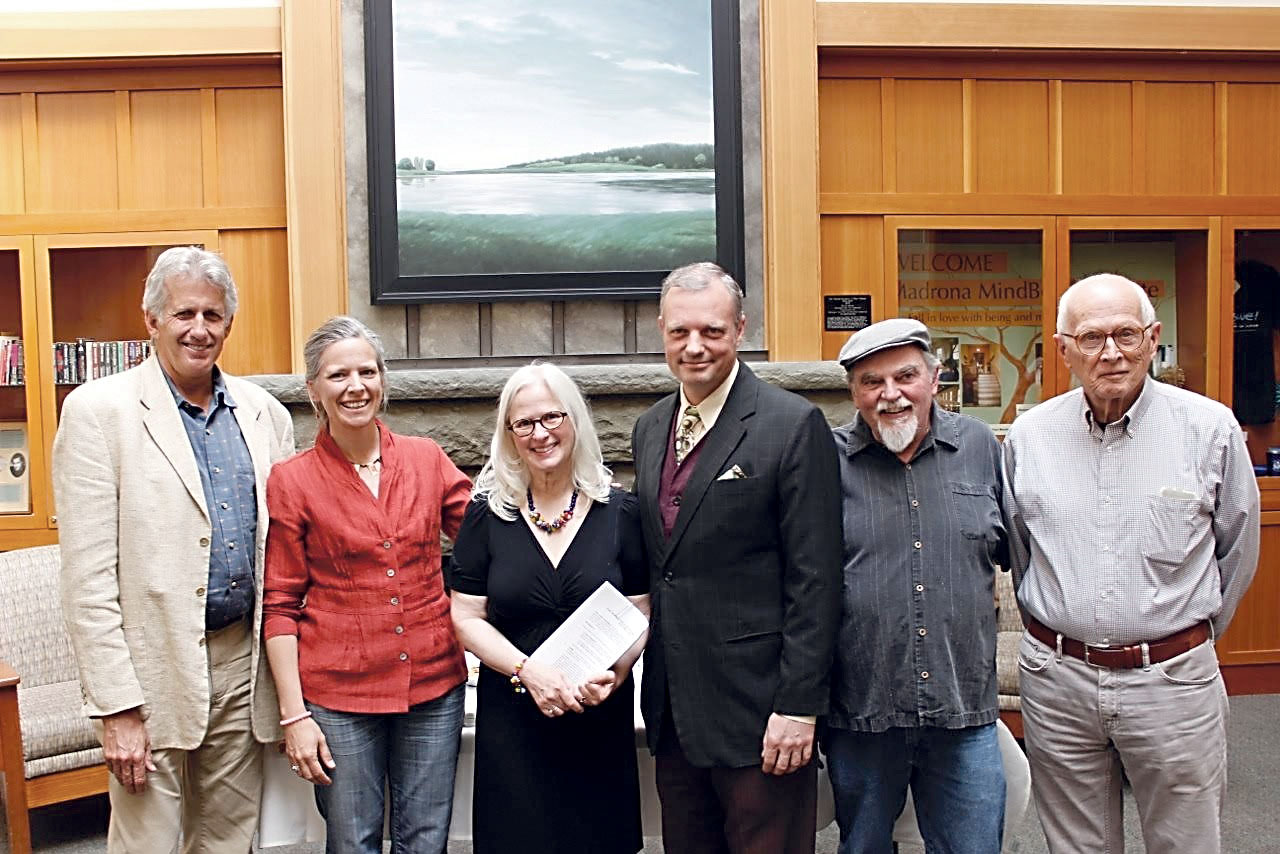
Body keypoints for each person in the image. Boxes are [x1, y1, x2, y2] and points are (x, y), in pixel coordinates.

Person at [1003, 273, 1260, 854]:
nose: (1111, 352)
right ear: (1063, 348)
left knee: (1186, 841)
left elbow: (1237, 549)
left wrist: (1186, 640)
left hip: (1171, 682)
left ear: (1153, 338)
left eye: (1126, 334)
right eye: (1092, 338)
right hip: (1058, 684)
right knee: (1076, 846)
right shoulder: (1029, 437)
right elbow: (1025, 554)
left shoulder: (1209, 429)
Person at [52, 246, 295, 852]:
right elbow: (87, 581)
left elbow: (286, 552)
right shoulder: (95, 412)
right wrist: (117, 708)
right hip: (149, 670)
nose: (199, 329)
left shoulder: (265, 414)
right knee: (147, 843)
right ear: (152, 319)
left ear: (229, 324)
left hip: (242, 666)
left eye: (213, 315)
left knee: (229, 839)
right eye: (184, 313)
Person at [631, 261, 842, 854]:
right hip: (675, 714)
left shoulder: (791, 424)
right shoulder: (650, 428)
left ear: (741, 329)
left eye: (712, 331)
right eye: (680, 332)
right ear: (661, 331)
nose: (694, 347)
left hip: (762, 715)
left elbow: (817, 580)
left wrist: (799, 707)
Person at [262, 316, 471, 854]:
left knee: (425, 841)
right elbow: (280, 603)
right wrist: (295, 716)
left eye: (367, 371)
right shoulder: (293, 479)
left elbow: (488, 541)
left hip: (433, 685)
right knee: (352, 840)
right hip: (338, 697)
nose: (355, 386)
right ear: (314, 390)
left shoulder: (426, 459)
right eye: (338, 375)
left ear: (383, 379)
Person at [450, 362, 650, 854]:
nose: (540, 434)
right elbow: (465, 616)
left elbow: (641, 609)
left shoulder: (621, 513)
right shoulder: (486, 515)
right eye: (524, 424)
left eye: (551, 418)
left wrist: (617, 673)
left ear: (574, 421)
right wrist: (528, 671)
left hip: (597, 716)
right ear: (509, 434)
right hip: (513, 721)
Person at [825, 318, 1007, 854]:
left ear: (934, 378)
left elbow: (1017, 554)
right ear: (854, 393)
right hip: (863, 712)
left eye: (905, 376)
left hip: (963, 709)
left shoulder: (979, 446)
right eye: (871, 382)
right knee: (862, 847)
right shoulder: (826, 459)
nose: (891, 394)